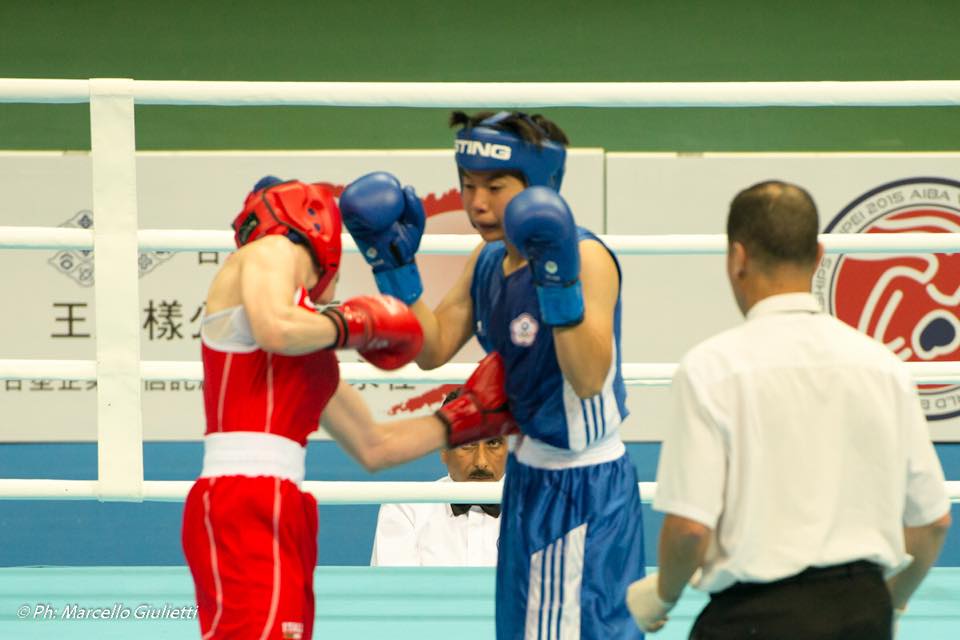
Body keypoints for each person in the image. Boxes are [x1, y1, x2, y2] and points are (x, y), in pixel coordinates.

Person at [339, 111, 646, 639]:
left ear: (539, 186)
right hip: (525, 477)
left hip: (582, 480)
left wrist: (555, 281)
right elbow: (432, 348)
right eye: (467, 184)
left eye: (494, 186)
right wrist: (394, 265)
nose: (476, 202)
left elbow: (590, 376)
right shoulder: (487, 258)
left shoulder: (587, 257)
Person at [181, 177, 520, 640]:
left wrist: (466, 417)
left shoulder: (310, 347)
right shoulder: (270, 251)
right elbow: (274, 328)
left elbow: (374, 446)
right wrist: (358, 322)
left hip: (286, 503)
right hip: (242, 497)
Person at [626, 180, 952, 639]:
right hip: (864, 613)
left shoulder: (712, 369)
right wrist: (892, 602)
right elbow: (933, 521)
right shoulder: (884, 367)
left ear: (737, 258)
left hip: (755, 617)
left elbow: (689, 531)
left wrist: (663, 595)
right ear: (819, 257)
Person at [370, 388, 508, 567]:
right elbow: (395, 592)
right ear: (443, 449)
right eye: (467, 444)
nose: (481, 462)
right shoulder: (405, 508)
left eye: (493, 443)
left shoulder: (538, 508)